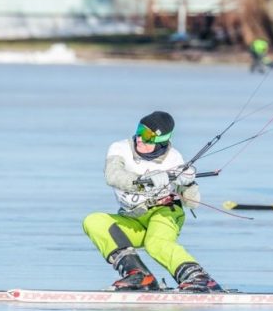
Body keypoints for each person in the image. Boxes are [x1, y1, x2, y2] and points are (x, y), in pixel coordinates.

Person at [82, 111, 223, 292]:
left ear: (161, 140)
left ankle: (199, 278)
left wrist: (188, 183)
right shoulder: (120, 149)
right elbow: (113, 176)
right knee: (94, 221)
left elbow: (192, 203)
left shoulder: (174, 159)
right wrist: (145, 180)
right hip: (132, 218)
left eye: (148, 136)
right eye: (140, 130)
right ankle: (140, 276)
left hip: (164, 212)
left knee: (156, 243)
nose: (140, 139)